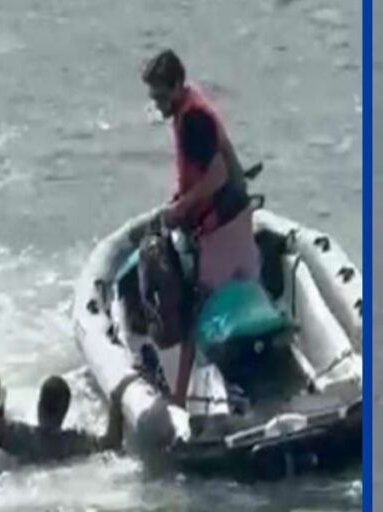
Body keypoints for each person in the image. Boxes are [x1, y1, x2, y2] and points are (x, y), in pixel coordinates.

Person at [140, 49, 261, 406]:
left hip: (222, 223)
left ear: (178, 85)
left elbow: (217, 174)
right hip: (233, 217)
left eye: (162, 96)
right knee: (238, 292)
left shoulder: (192, 120)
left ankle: (184, 398)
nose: (158, 105)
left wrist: (181, 208)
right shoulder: (190, 107)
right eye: (154, 97)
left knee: (200, 308)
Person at [0, 374, 136, 463]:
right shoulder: (65, 443)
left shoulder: (15, 437)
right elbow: (111, 444)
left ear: (40, 405)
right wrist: (116, 400)